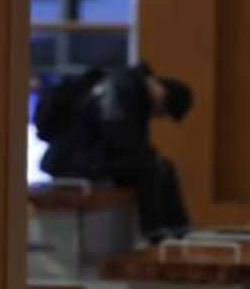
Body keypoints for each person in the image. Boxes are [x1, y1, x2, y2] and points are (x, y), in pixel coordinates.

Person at [35, 62, 192, 243]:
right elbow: (119, 138)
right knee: (149, 167)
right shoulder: (121, 87)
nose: (157, 115)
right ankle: (156, 234)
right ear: (162, 94)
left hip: (82, 156)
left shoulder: (129, 90)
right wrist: (147, 156)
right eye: (162, 112)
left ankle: (176, 232)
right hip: (73, 160)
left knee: (159, 166)